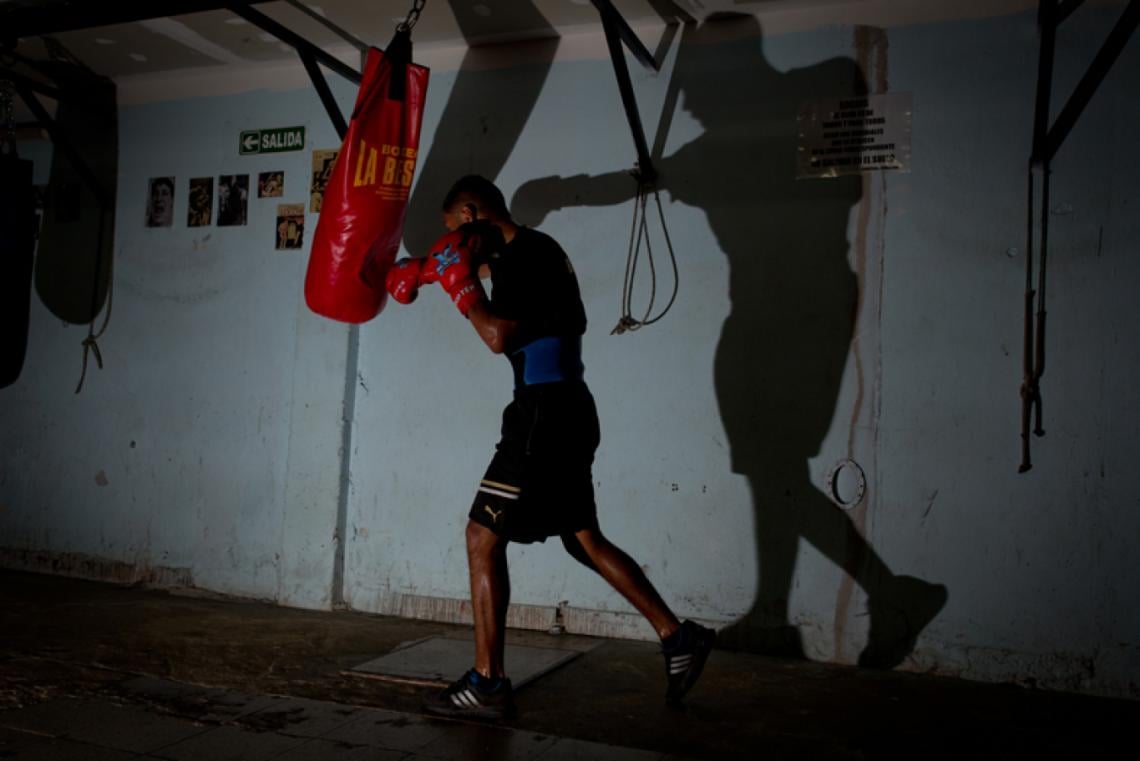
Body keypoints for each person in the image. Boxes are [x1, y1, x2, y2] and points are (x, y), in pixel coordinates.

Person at [385, 175, 715, 720]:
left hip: (542, 414)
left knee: (480, 537)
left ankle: (488, 683)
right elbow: (466, 264)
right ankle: (677, 638)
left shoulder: (525, 260)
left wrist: (459, 289)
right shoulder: (534, 252)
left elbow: (495, 336)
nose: (458, 247)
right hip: (566, 409)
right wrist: (414, 272)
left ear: (472, 215)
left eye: (456, 233)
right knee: (582, 538)